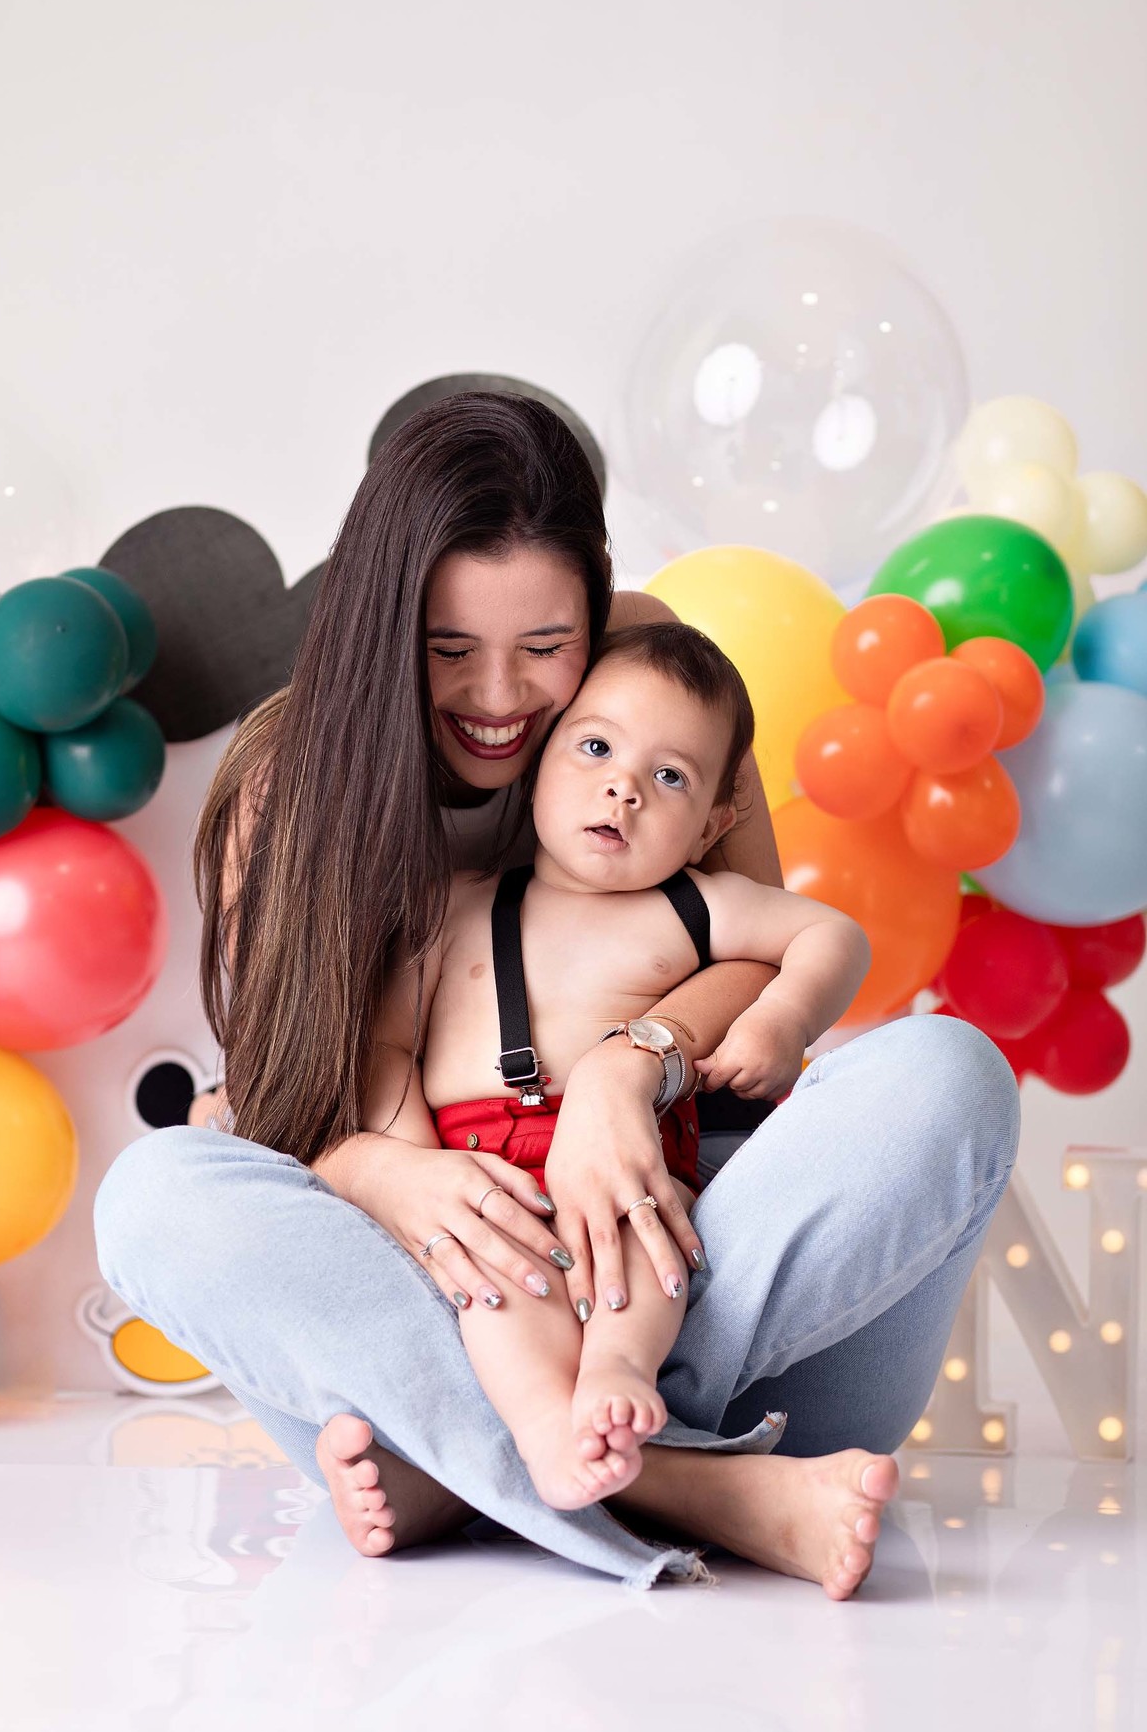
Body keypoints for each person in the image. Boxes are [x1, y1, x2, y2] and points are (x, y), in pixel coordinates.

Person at [94, 391, 1019, 1596]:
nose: (498, 697)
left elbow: (746, 949)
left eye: (545, 648)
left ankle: (518, 1462)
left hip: (711, 1283)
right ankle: (685, 1482)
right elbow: (281, 1103)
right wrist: (392, 1174)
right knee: (154, 1196)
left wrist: (633, 1069)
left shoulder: (658, 678)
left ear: (598, 604)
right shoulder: (289, 780)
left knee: (950, 1072)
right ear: (384, 627)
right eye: (448, 651)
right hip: (462, 1292)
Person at [369, 621, 872, 1513]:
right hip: (485, 1171)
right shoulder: (455, 908)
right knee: (504, 1288)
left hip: (630, 1161)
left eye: (669, 776)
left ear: (712, 825)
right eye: (596, 748)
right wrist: (416, 1166)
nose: (624, 789)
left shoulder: (696, 906)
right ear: (537, 765)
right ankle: (544, 1432)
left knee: (643, 1252)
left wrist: (782, 1018)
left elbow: (833, 935)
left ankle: (616, 1374)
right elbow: (388, 1048)